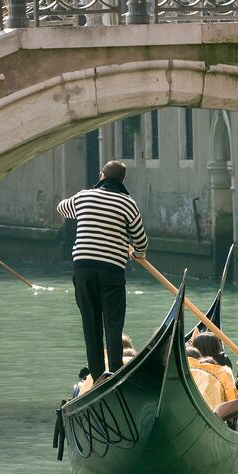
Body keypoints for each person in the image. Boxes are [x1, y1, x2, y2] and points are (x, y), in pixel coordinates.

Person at [56, 160, 148, 382]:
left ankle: (98, 376)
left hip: (83, 269)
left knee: (91, 321)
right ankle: (115, 371)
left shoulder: (84, 196)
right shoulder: (128, 204)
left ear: (101, 176)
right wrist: (139, 254)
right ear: (121, 181)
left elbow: (62, 208)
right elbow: (141, 240)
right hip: (112, 271)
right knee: (113, 323)